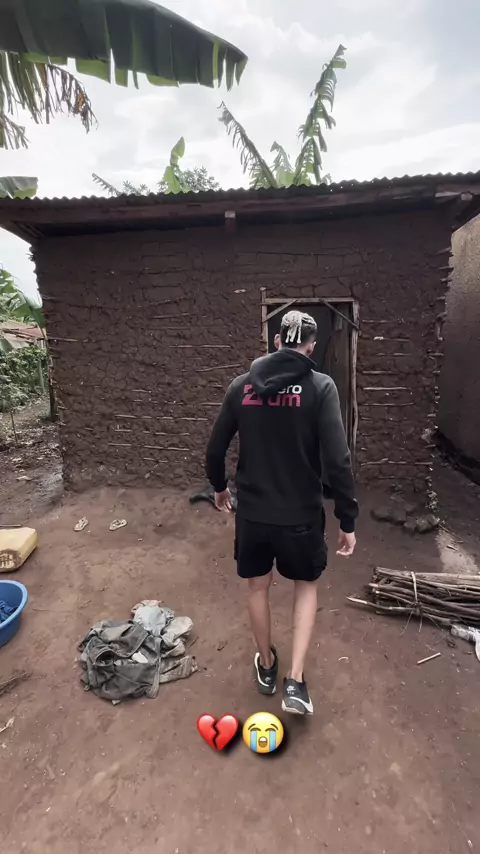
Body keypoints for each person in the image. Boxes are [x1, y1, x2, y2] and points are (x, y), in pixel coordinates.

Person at [205, 310, 358, 715]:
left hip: (253, 515)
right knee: (305, 586)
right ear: (311, 347)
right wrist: (347, 518)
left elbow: (215, 449)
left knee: (258, 588)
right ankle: (295, 681)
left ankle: (267, 665)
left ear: (276, 342)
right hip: (301, 517)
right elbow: (338, 460)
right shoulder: (321, 388)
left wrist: (220, 488)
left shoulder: (241, 387)